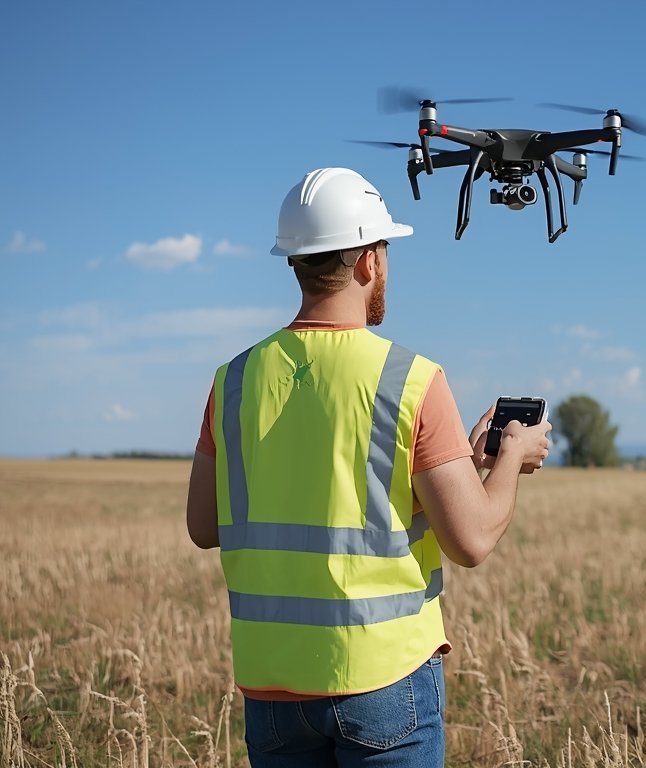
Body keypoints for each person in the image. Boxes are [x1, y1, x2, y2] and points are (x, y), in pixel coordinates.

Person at [185, 167, 551, 767]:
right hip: (385, 679)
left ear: (296, 263)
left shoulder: (233, 382)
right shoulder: (412, 380)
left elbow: (204, 526)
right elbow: (473, 539)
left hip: (272, 687)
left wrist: (460, 455)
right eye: (383, 248)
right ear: (367, 263)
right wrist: (508, 457)